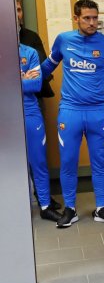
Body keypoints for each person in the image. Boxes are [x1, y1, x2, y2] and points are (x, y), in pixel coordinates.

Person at [36, 0, 104, 228]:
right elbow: (47, 67)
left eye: (95, 18)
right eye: (87, 18)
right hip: (70, 112)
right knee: (68, 162)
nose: (93, 22)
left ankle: (101, 208)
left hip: (98, 113)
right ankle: (70, 209)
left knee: (100, 161)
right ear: (76, 18)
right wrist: (25, 78)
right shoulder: (64, 40)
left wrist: (101, 93)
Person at [20, 43, 62, 222]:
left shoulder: (29, 52)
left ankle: (45, 206)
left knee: (38, 161)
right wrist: (22, 77)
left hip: (29, 113)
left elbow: (36, 84)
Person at [16, 0, 55, 100]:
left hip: (32, 97)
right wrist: (23, 79)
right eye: (13, 10)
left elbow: (39, 71)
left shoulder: (31, 36)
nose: (17, 14)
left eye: (19, 10)